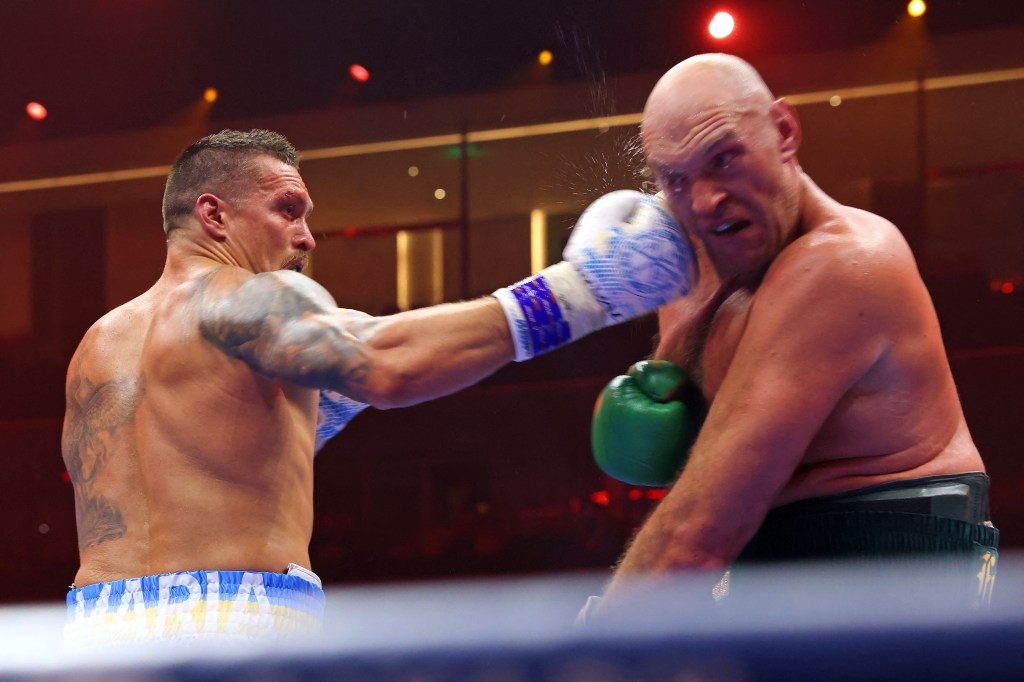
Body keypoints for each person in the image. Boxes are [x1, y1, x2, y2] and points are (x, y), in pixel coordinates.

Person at [61, 129, 696, 645]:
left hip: (93, 633)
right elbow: (384, 362)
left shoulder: (99, 344)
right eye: (287, 209)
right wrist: (584, 292)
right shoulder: (247, 298)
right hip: (233, 623)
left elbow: (200, 471)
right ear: (213, 214)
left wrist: (317, 413)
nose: (307, 236)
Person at [588, 53, 998, 616]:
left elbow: (699, 531)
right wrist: (576, 293)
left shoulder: (844, 265)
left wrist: (601, 636)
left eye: (725, 158)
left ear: (784, 131)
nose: (705, 199)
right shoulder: (693, 261)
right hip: (775, 563)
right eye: (676, 178)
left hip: (897, 566)